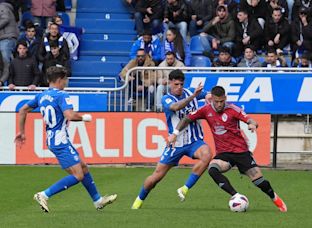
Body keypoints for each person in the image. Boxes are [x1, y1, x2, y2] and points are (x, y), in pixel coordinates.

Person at [168, 86, 287, 212]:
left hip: (241, 152)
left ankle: (275, 199)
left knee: (259, 182)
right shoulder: (205, 110)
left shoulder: (233, 109)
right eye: (216, 101)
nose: (219, 105)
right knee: (212, 169)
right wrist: (175, 133)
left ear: (225, 98)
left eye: (221, 101)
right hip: (224, 154)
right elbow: (186, 118)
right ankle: (236, 196)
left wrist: (252, 124)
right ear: (211, 99)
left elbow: (250, 120)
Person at [15, 66, 117, 212]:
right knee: (78, 175)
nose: (66, 82)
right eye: (65, 79)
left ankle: (98, 200)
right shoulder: (62, 95)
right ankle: (43, 194)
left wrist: (22, 132)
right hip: (60, 141)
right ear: (59, 80)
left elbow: (23, 110)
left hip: (53, 139)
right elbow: (70, 115)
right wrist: (84, 117)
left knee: (83, 167)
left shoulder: (42, 95)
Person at [131, 69, 212, 209]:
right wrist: (194, 96)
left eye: (181, 84)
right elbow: (176, 106)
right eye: (176, 84)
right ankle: (139, 200)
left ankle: (185, 188)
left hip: (194, 141)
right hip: (175, 144)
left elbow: (209, 95)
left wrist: (211, 96)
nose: (179, 87)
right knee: (155, 178)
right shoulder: (167, 98)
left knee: (207, 155)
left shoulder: (189, 92)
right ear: (169, 83)